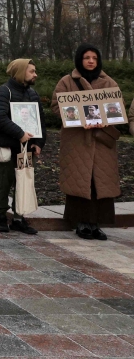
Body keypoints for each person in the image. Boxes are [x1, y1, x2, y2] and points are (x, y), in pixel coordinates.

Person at [52, 44, 121, 240]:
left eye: (94, 58)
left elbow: (117, 108)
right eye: (86, 57)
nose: (91, 61)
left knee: (99, 182)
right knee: (80, 180)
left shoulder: (109, 83)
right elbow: (56, 106)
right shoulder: (67, 81)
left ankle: (96, 224)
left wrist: (102, 120)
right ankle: (81, 223)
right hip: (77, 141)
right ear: (79, 60)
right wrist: (83, 119)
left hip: (101, 143)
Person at [0, 58, 45, 235]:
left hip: (26, 150)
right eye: (31, 71)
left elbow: (40, 121)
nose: (35, 74)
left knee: (24, 183)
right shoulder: (4, 91)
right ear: (20, 72)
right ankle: (1, 217)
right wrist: (19, 134)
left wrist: (38, 143)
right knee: (2, 183)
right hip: (7, 147)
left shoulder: (33, 94)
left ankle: (19, 219)